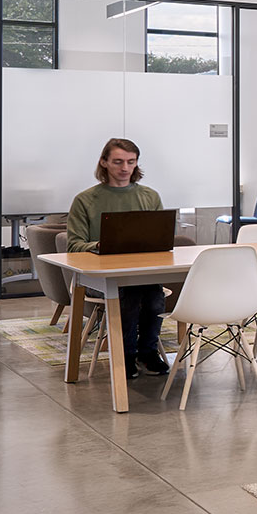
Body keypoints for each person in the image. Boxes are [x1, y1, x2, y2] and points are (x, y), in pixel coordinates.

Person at [66, 137, 171, 377]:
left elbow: (160, 239)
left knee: (154, 296)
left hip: (141, 275)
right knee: (133, 294)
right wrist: (101, 245)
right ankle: (125, 356)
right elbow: (73, 246)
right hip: (97, 281)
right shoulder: (85, 200)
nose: (124, 168)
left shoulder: (150, 196)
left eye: (130, 162)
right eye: (118, 162)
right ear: (104, 162)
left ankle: (147, 354)